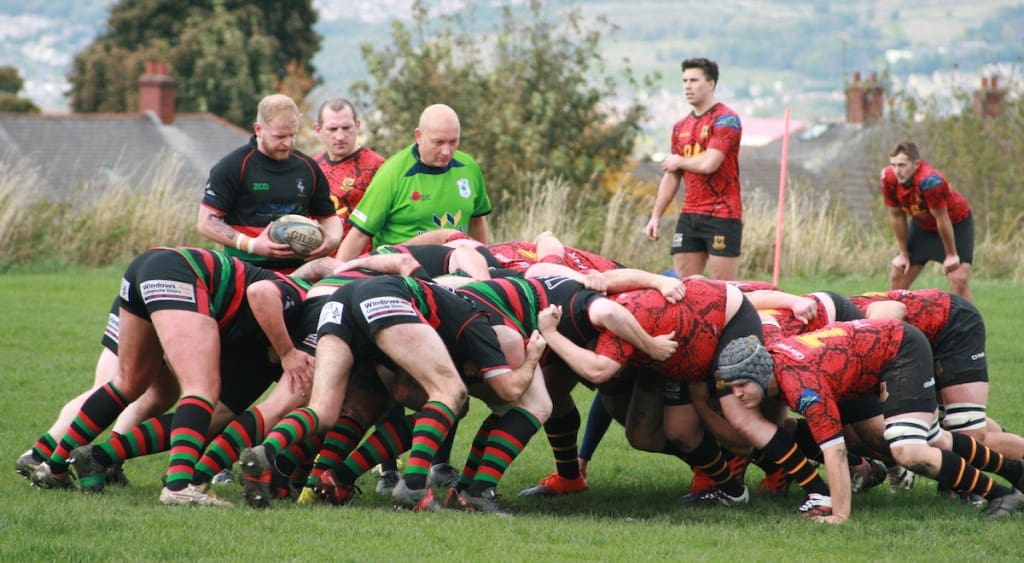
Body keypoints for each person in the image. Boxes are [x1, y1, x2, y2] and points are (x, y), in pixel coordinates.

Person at [716, 323, 1024, 523]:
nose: (737, 394)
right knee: (935, 440)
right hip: (878, 354)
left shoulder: (800, 385)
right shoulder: (775, 365)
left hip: (900, 352)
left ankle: (1002, 495)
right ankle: (1015, 471)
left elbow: (834, 452)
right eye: (731, 387)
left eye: (742, 384)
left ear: (759, 373)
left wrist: (840, 514)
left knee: (909, 451)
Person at [198, 93, 342, 272]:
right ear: (258, 129)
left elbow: (328, 217)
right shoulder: (233, 166)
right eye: (280, 136)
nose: (288, 143)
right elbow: (206, 222)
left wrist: (332, 239)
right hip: (244, 271)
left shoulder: (308, 168)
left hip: (298, 273)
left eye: (292, 135)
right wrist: (252, 245)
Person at [334, 103, 492, 261]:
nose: (446, 151)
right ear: (419, 136)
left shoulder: (468, 167)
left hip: (455, 267)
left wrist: (486, 259)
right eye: (438, 142)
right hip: (402, 271)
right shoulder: (392, 172)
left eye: (453, 142)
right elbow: (359, 234)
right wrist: (336, 277)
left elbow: (477, 220)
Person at [644, 57, 743, 281]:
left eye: (694, 80)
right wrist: (656, 216)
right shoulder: (680, 127)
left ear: (711, 84)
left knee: (723, 291)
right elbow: (672, 175)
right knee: (683, 286)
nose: (687, 86)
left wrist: (678, 161)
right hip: (690, 214)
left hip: (722, 213)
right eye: (685, 80)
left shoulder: (726, 120)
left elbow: (710, 163)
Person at [882, 141, 974, 301]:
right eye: (894, 165)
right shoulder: (888, 178)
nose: (897, 171)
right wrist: (903, 253)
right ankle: (891, 324)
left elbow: (942, 218)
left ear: (916, 164)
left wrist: (951, 254)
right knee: (898, 275)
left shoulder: (930, 181)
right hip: (922, 227)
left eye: (902, 165)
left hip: (953, 225)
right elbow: (897, 215)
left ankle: (971, 325)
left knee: (958, 279)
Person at [311, 97, 385, 247]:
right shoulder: (311, 167)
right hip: (319, 259)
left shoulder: (378, 167)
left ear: (357, 126)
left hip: (362, 261)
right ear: (318, 130)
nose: (340, 136)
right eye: (332, 129)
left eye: (346, 128)